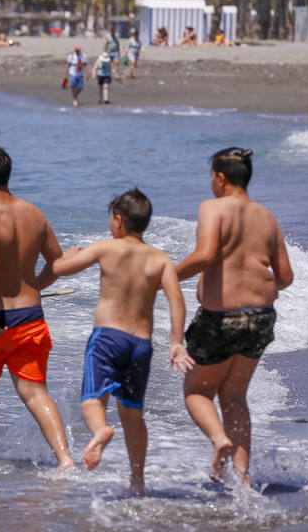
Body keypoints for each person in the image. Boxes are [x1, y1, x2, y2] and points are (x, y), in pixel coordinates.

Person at [51, 189, 192, 495]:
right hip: (141, 344)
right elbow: (176, 299)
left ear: (118, 220)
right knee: (132, 413)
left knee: (91, 400)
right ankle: (138, 481)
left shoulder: (106, 248)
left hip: (108, 337)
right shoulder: (160, 259)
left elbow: (59, 270)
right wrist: (176, 342)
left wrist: (69, 256)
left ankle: (101, 431)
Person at [176, 147, 293, 485]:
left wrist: (165, 276)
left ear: (220, 178)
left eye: (212, 177)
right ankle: (242, 484)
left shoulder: (213, 207)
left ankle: (219, 441)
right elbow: (285, 277)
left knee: (196, 392)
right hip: (260, 318)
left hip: (221, 320)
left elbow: (206, 254)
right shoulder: (267, 217)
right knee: (235, 396)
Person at [0, 148, 75, 469]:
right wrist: (34, 286)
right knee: (36, 394)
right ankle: (66, 460)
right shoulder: (34, 214)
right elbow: (58, 263)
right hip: (29, 318)